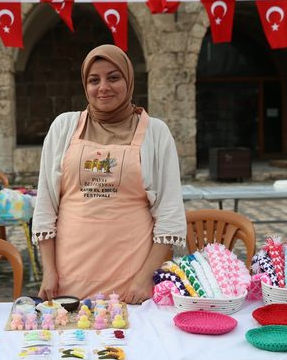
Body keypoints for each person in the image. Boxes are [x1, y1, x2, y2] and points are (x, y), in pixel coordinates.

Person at [33, 45, 186, 304]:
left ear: (129, 80)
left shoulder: (156, 133)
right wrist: (50, 272)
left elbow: (169, 214)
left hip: (132, 282)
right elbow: (46, 204)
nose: (103, 87)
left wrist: (145, 278)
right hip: (69, 277)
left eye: (113, 77)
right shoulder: (63, 127)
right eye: (94, 80)